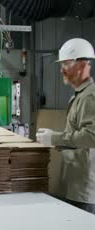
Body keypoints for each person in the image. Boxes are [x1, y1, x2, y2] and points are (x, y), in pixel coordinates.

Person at [37, 38, 95, 214]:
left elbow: (91, 136)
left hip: (84, 188)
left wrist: (55, 137)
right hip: (74, 183)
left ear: (82, 65)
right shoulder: (79, 95)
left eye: (66, 64)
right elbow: (77, 134)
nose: (61, 69)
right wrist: (57, 139)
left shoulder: (90, 97)